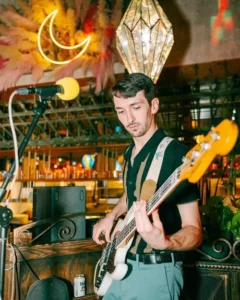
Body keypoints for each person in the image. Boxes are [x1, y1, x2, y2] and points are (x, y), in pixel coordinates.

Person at [92, 72, 203, 300]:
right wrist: (111, 216)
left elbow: (195, 230)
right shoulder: (130, 152)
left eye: (136, 107)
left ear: (153, 105)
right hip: (119, 271)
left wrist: (166, 242)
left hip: (155, 273)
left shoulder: (178, 156)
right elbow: (132, 196)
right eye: (121, 111)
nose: (129, 118)